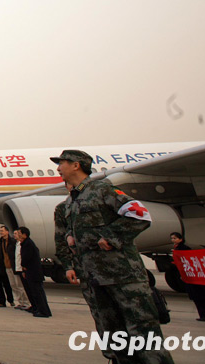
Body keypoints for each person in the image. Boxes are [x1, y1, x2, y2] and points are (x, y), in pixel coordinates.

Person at [52, 149, 173, 364]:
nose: (58, 168)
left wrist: (110, 236)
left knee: (143, 333)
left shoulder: (102, 190)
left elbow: (139, 214)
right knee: (113, 336)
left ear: (76, 165)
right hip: (95, 279)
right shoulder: (69, 204)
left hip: (122, 276)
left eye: (61, 163)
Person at [169, 232, 205, 322]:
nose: (173, 240)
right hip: (187, 275)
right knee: (195, 297)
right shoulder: (177, 248)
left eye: (175, 238)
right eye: (172, 238)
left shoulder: (184, 248)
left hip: (191, 275)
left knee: (198, 296)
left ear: (181, 239)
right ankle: (204, 315)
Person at [15, 227, 50, 318]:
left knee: (37, 292)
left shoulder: (28, 244)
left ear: (24, 235)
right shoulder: (25, 243)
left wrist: (23, 266)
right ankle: (37, 308)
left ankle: (43, 311)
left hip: (33, 272)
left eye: (19, 233)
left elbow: (26, 258)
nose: (18, 235)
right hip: (31, 271)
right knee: (33, 292)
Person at [0, 224, 29, 308]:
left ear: (7, 232)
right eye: (0, 231)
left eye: (2, 231)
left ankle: (26, 303)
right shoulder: (1, 242)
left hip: (14, 267)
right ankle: (20, 302)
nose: (1, 232)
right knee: (13, 285)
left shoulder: (13, 242)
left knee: (19, 285)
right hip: (7, 267)